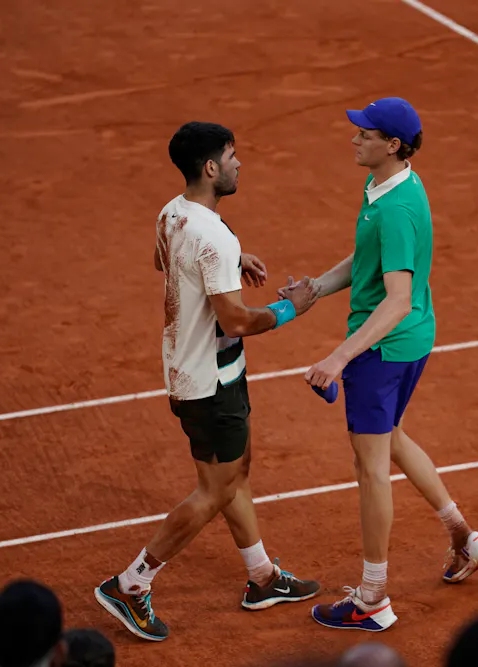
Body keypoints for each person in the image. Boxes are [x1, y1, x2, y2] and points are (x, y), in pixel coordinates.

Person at [94, 121, 321, 642]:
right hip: (209, 383)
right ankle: (131, 582)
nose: (240, 164)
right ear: (212, 167)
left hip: (194, 370)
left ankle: (262, 577)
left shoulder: (172, 213)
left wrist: (233, 261)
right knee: (214, 490)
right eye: (233, 156)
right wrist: (292, 309)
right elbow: (239, 321)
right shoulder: (212, 235)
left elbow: (165, 261)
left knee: (236, 470)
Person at [279, 98, 478, 631]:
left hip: (383, 348)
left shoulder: (395, 207)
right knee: (391, 437)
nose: (354, 139)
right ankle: (465, 536)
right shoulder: (391, 185)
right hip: (412, 338)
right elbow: (368, 259)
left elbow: (395, 298)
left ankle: (372, 598)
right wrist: (318, 288)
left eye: (365, 134)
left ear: (392, 145)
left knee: (371, 470)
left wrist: (339, 356)